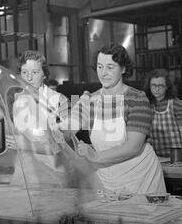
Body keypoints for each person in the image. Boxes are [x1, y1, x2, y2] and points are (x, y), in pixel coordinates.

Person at [53, 43, 166, 195]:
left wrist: (95, 156)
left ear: (124, 69)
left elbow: (134, 146)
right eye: (100, 67)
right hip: (107, 178)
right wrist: (57, 131)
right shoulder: (88, 99)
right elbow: (70, 124)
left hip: (142, 177)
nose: (103, 73)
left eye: (110, 67)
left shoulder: (137, 98)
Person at [0, 50, 70, 184]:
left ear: (45, 75)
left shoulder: (59, 101)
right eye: (25, 72)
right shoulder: (14, 98)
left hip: (53, 177)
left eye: (35, 72)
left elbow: (62, 145)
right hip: (25, 176)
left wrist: (25, 144)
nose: (29, 78)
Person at [144, 69, 182, 160]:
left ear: (167, 86)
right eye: (153, 85)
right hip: (154, 157)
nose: (157, 89)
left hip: (176, 157)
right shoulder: (146, 106)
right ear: (149, 86)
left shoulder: (178, 105)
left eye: (160, 85)